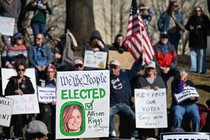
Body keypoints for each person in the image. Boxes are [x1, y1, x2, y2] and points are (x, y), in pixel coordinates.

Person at [109, 52, 143, 139]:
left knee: (134, 116)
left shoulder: (125, 75)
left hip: (124, 104)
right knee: (108, 114)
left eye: (115, 67)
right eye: (111, 67)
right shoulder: (106, 77)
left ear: (119, 68)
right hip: (113, 104)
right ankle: (111, 131)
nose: (113, 69)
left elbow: (136, 69)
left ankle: (134, 135)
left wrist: (141, 58)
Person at [3, 60, 35, 139]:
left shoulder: (28, 81)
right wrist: (15, 91)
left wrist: (23, 92)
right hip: (14, 108)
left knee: (22, 116)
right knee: (18, 116)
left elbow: (32, 92)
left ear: (25, 71)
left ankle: (23, 135)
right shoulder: (12, 81)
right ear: (16, 70)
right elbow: (6, 92)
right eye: (19, 70)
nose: (21, 72)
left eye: (22, 70)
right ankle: (19, 136)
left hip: (26, 108)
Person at [135, 61, 166, 139]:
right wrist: (141, 90)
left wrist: (159, 90)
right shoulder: (140, 79)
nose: (150, 70)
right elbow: (135, 93)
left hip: (156, 108)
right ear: (145, 69)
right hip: (144, 109)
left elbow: (164, 93)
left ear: (154, 69)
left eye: (152, 68)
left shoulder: (159, 79)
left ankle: (159, 136)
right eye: (148, 68)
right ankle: (143, 136)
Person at [170, 67, 200, 132]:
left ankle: (196, 133)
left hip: (190, 105)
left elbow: (196, 94)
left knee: (196, 117)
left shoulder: (190, 82)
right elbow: (179, 91)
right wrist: (181, 80)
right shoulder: (174, 83)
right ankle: (177, 132)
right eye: (180, 75)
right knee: (177, 116)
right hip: (178, 105)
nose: (183, 76)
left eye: (183, 74)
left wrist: (195, 98)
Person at [185, 6, 210, 74]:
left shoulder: (205, 18)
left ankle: (202, 70)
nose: (198, 12)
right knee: (193, 54)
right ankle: (193, 69)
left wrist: (201, 26)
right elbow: (186, 26)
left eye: (199, 11)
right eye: (196, 11)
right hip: (193, 39)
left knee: (201, 55)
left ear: (201, 11)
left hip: (202, 39)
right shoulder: (192, 18)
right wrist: (190, 27)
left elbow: (208, 26)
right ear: (194, 12)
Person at [36, 64, 56, 140]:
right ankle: (43, 133)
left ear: (54, 72)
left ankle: (53, 133)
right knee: (46, 111)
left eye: (51, 72)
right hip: (44, 103)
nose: (50, 74)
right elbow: (38, 93)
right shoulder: (41, 81)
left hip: (54, 102)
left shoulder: (57, 81)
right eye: (48, 72)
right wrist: (42, 100)